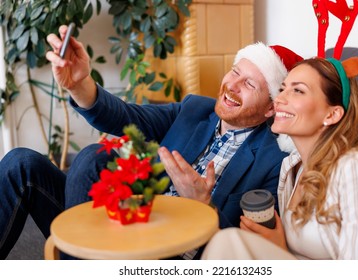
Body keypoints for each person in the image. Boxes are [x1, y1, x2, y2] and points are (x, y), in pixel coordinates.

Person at [0, 24, 303, 259]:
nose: (232, 85)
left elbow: (248, 248)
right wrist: (80, 85)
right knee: (21, 163)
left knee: (91, 157)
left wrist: (203, 206)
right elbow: (126, 116)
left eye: (249, 84)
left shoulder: (275, 158)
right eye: (235, 71)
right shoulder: (194, 109)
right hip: (127, 221)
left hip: (171, 254)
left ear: (270, 107)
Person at [201, 57, 358, 260]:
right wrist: (277, 247)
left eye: (298, 90)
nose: (279, 99)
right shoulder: (291, 168)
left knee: (228, 242)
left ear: (332, 114)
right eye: (282, 89)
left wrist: (280, 252)